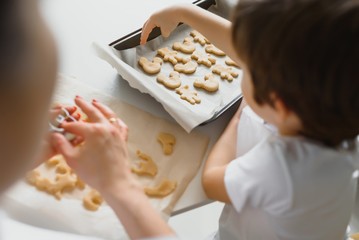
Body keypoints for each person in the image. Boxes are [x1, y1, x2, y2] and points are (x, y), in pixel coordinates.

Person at [1, 0, 358, 240]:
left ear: (277, 101)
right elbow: (263, 54)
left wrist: (239, 116)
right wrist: (191, 14)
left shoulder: (284, 169)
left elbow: (213, 181)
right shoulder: (335, 116)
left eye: (249, 69)